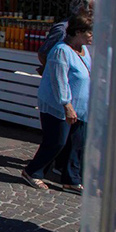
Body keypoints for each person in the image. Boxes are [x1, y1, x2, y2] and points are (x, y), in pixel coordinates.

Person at [22, 13, 92, 192]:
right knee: (56, 142)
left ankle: (71, 179)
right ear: (78, 32)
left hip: (81, 106)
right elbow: (59, 81)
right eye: (90, 32)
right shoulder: (61, 51)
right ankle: (32, 171)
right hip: (59, 106)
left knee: (76, 143)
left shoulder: (84, 50)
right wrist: (67, 105)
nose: (93, 36)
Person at [38, 0, 94, 70]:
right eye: (91, 12)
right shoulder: (62, 29)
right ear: (82, 10)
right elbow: (43, 54)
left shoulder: (89, 30)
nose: (94, 17)